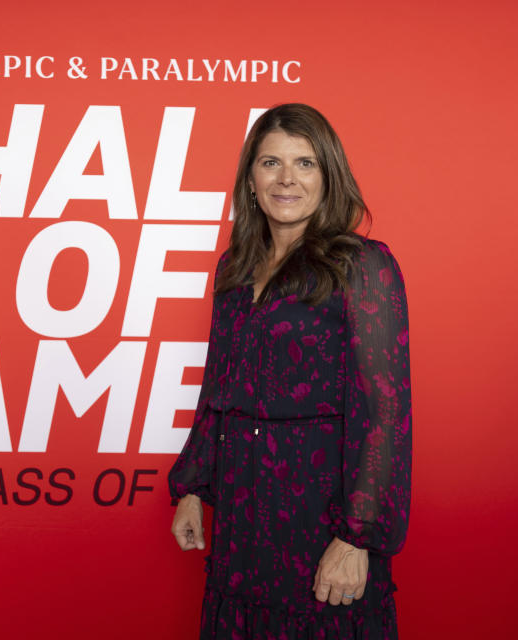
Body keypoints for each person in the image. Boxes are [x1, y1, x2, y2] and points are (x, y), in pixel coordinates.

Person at [169, 103, 411, 639]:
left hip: (319, 513)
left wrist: (357, 537)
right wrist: (194, 487)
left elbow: (384, 412)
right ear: (250, 179)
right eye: (270, 163)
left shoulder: (361, 265)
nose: (286, 179)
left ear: (329, 176)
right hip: (242, 511)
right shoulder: (235, 265)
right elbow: (220, 384)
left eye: (305, 164)